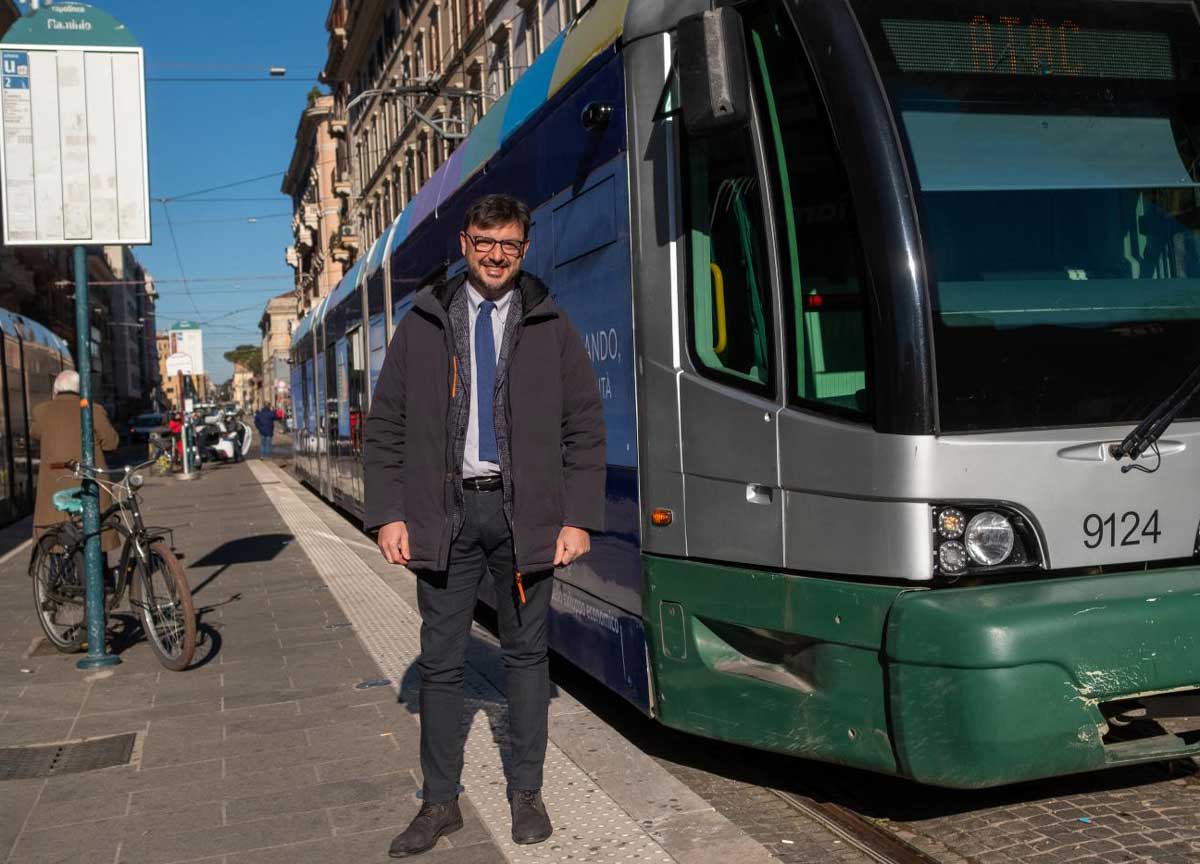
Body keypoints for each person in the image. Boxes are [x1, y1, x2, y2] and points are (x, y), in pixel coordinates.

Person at [365, 193, 605, 858]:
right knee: (441, 663)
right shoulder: (425, 321)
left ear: (523, 250)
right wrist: (387, 512)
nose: (496, 255)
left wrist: (579, 517)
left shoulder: (550, 323)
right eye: (484, 241)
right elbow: (385, 426)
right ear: (465, 244)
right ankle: (439, 803)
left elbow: (584, 425)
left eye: (509, 245)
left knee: (526, 657)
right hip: (445, 515)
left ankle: (525, 792)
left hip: (523, 514)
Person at [30, 370, 120, 553]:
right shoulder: (93, 409)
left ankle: (60, 573)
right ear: (82, 390)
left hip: (55, 487)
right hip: (90, 486)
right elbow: (112, 443)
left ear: (55, 390)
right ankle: (100, 578)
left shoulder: (41, 412)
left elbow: (35, 434)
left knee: (56, 540)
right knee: (96, 538)